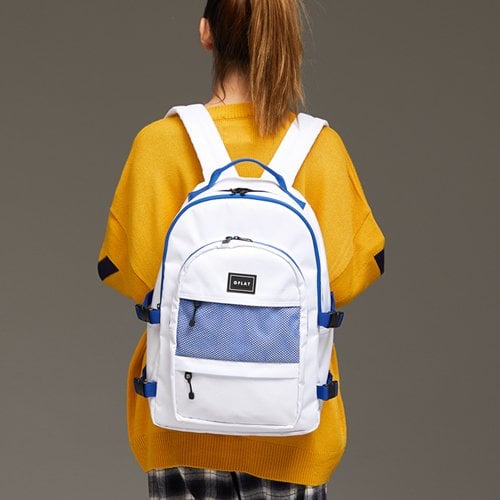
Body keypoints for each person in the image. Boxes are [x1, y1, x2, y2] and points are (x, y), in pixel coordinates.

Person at [98, 0, 385, 498]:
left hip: (180, 428)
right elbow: (352, 273)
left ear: (206, 33)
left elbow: (125, 269)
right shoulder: (320, 149)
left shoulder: (159, 146)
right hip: (293, 435)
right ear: (285, 39)